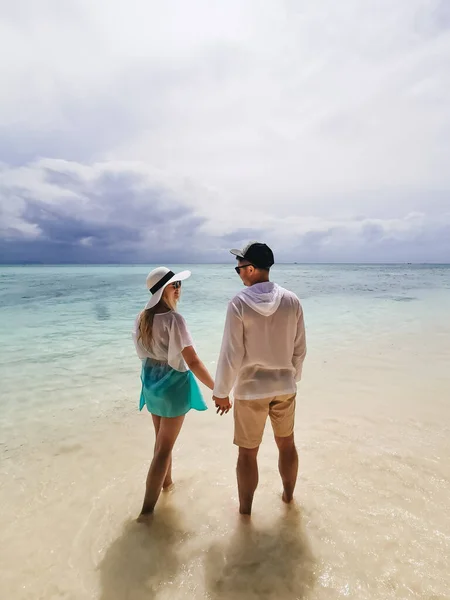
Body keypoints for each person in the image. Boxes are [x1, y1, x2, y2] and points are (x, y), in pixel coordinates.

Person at [212, 242, 306, 515]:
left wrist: (222, 390)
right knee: (286, 444)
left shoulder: (239, 303)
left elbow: (231, 353)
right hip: (285, 387)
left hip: (251, 390)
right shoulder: (291, 301)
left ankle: (245, 513)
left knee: (247, 453)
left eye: (239, 268)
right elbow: (300, 347)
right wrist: (292, 377)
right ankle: (288, 499)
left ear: (251, 269)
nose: (238, 273)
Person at [132, 267, 214, 520]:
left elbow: (142, 354)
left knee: (160, 444)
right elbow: (193, 361)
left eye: (179, 284)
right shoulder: (174, 320)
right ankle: (146, 512)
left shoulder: (142, 318)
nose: (178, 289)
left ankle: (167, 486)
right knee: (164, 449)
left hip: (152, 383)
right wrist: (219, 388)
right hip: (173, 386)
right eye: (173, 285)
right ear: (162, 290)